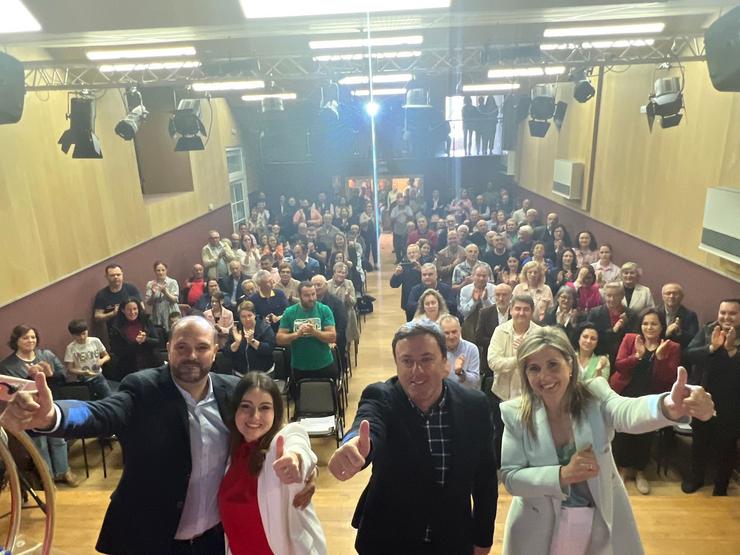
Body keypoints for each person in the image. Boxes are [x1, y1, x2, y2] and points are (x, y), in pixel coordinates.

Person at [0, 316, 317, 554]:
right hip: (149, 538)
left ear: (215, 350)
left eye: (201, 348)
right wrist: (54, 414)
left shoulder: (232, 391)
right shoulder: (142, 387)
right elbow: (100, 413)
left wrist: (304, 469)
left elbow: (273, 437)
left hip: (212, 540)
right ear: (168, 348)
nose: (191, 355)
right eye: (182, 347)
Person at [499, 326, 715, 555]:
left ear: (570, 365)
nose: (544, 376)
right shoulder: (516, 414)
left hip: (597, 518)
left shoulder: (595, 394)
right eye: (534, 368)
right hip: (538, 527)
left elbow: (627, 411)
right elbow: (511, 478)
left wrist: (666, 407)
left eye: (553, 364)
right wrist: (562, 475)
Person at [327, 321, 497, 554]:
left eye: (426, 359)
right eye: (407, 361)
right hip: (389, 539)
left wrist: (483, 539)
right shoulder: (380, 396)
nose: (416, 371)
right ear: (397, 364)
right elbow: (368, 425)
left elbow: (485, 479)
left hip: (451, 538)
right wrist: (354, 444)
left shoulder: (474, 405)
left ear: (444, 362)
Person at [219, 372, 327, 554]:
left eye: (265, 408)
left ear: (276, 412)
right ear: (235, 410)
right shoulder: (231, 451)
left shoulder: (280, 443)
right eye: (246, 406)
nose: (254, 416)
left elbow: (298, 443)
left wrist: (297, 460)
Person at [610, 308, 680, 494]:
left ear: (662, 326)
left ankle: (640, 471)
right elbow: (619, 366)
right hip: (627, 391)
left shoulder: (671, 347)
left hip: (652, 394)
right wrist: (638, 356)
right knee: (624, 430)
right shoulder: (630, 339)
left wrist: (660, 358)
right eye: (645, 323)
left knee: (645, 432)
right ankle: (624, 469)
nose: (649, 327)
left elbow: (668, 378)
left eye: (654, 324)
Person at [0, 325, 79, 486]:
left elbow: (63, 376)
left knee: (59, 439)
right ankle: (47, 476)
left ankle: (63, 471)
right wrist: (30, 376)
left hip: (53, 403)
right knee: (40, 444)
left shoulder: (46, 354)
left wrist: (51, 375)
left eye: (33, 337)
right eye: (25, 338)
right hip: (29, 411)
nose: (30, 341)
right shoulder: (8, 365)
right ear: (16, 341)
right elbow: (12, 393)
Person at [683, 298, 740, 496]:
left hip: (732, 403)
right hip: (705, 397)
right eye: (723, 312)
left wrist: (732, 350)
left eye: (732, 313)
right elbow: (689, 354)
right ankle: (696, 478)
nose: (726, 317)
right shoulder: (708, 330)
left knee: (726, 447)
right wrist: (712, 348)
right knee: (699, 442)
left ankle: (721, 487)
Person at [488, 295, 541, 466]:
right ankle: (502, 467)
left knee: (530, 433)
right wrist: (519, 358)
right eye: (517, 308)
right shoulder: (500, 330)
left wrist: (525, 355)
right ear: (511, 310)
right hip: (503, 392)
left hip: (531, 394)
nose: (521, 313)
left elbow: (541, 365)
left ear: (532, 312)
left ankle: (529, 466)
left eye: (526, 309)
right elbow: (493, 362)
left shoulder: (540, 333)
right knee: (501, 434)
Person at [277, 282, 338, 384]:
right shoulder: (290, 312)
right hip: (299, 366)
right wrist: (296, 334)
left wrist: (314, 332)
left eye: (313, 294)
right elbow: (279, 339)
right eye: (307, 295)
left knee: (327, 398)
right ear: (299, 296)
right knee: (302, 398)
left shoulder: (324, 310)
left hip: (323, 364)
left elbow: (332, 337)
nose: (311, 298)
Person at [587, 282, 639, 365]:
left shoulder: (631, 314)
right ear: (604, 296)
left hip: (623, 359)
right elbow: (592, 336)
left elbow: (635, 338)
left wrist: (626, 325)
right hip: (599, 356)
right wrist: (613, 330)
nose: (612, 299)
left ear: (622, 296)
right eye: (609, 295)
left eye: (615, 296)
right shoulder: (595, 313)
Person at [108, 298, 161, 379]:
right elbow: (119, 352)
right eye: (129, 310)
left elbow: (157, 341)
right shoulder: (116, 328)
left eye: (135, 309)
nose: (132, 312)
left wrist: (145, 339)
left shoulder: (146, 321)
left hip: (151, 364)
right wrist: (136, 343)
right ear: (123, 310)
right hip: (129, 369)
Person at [63, 318, 112, 400]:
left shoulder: (95, 341)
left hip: (98, 377)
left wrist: (102, 361)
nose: (82, 337)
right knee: (89, 402)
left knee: (108, 399)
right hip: (83, 380)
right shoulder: (71, 348)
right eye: (78, 335)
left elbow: (107, 356)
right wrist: (83, 372)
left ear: (87, 331)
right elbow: (70, 369)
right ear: (72, 335)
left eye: (84, 333)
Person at [224, 301, 276, 376]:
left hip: (263, 374)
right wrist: (237, 343)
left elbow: (269, 349)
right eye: (243, 316)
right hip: (240, 374)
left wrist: (252, 341)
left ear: (254, 315)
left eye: (249, 315)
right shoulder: (235, 330)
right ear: (239, 317)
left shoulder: (265, 328)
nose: (247, 319)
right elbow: (226, 353)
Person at [475, 283, 512, 378]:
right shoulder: (485, 313)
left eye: (504, 295)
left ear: (511, 296)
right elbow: (479, 338)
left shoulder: (516, 312)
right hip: (490, 362)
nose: (501, 298)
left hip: (512, 360)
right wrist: (499, 343)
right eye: (498, 295)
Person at [93, 264, 142, 331]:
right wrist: (113, 313)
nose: (116, 277)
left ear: (122, 275)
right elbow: (97, 316)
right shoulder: (102, 295)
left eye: (118, 274)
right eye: (112, 275)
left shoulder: (131, 288)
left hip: (136, 327)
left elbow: (142, 307)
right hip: (116, 331)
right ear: (106, 277)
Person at [440, 314, 481, 389]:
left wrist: (461, 373)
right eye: (446, 333)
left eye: (454, 332)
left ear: (460, 330)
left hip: (465, 395)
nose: (451, 336)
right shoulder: (436, 351)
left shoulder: (471, 349)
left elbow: (475, 382)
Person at [658, 283, 699, 352]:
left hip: (680, 353)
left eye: (675, 293)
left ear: (682, 296)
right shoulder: (654, 313)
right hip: (657, 350)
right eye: (668, 293)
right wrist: (666, 333)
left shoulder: (690, 315)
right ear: (662, 296)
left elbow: (694, 341)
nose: (671, 296)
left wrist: (680, 333)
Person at [390, 244, 422, 321]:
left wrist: (421, 270)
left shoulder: (425, 264)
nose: (411, 254)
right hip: (408, 302)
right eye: (409, 253)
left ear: (419, 254)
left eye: (414, 252)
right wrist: (396, 275)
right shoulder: (404, 266)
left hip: (422, 301)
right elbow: (394, 285)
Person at [145, 261, 181, 330]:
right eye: (158, 270)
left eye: (163, 270)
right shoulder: (150, 284)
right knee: (161, 335)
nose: (161, 272)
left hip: (171, 313)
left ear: (166, 270)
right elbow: (148, 303)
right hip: (157, 314)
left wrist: (165, 292)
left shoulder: (172, 282)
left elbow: (175, 300)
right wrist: (153, 294)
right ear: (155, 271)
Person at [390, 196, 415, 263]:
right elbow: (391, 219)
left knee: (405, 245)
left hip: (406, 230)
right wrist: (398, 215)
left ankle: (405, 258)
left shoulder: (408, 208)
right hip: (397, 230)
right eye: (399, 202)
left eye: (402, 202)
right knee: (397, 246)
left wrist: (406, 214)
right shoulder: (394, 209)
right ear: (397, 202)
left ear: (404, 202)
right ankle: (398, 259)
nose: (401, 203)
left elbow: (411, 217)